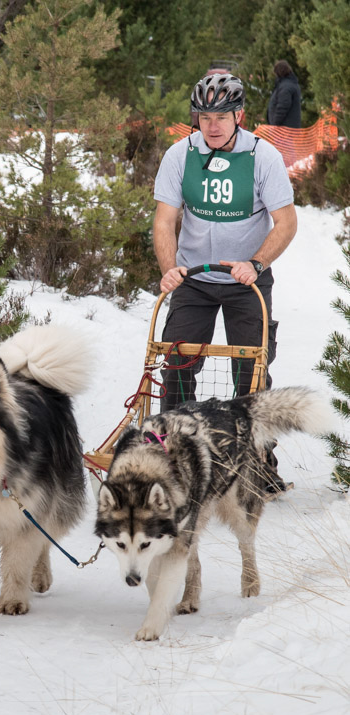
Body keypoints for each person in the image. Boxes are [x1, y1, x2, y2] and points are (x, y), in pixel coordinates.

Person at [153, 73, 297, 494]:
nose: (211, 125)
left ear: (239, 115)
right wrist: (169, 268)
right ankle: (175, 458)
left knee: (251, 371)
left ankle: (257, 463)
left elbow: (286, 222)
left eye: (221, 116)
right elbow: (165, 219)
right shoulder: (180, 155)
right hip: (193, 280)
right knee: (177, 364)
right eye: (203, 116)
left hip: (246, 280)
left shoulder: (263, 157)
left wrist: (256, 262)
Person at [267, 60, 301, 128]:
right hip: (288, 127)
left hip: (284, 130)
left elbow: (282, 107)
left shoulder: (286, 87)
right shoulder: (289, 84)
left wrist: (275, 123)